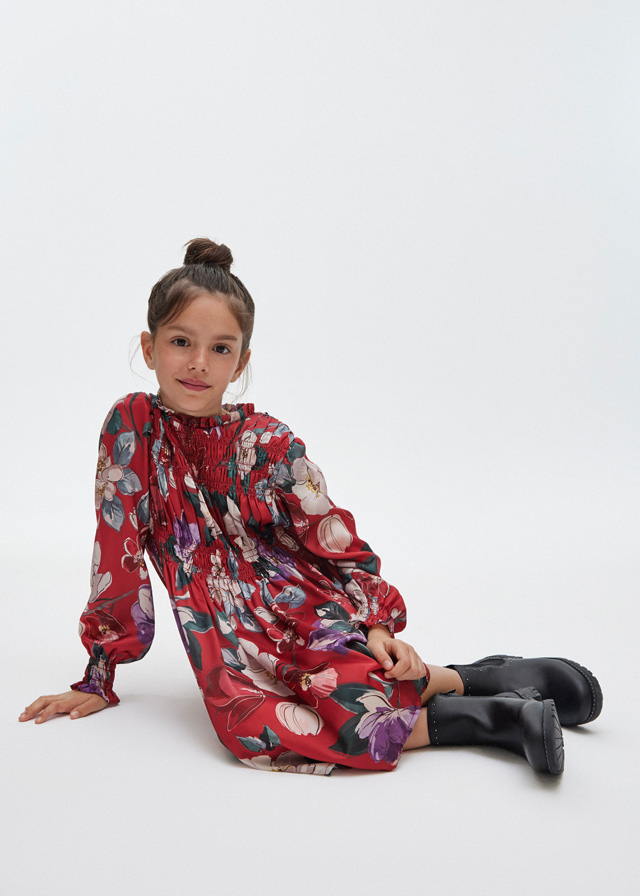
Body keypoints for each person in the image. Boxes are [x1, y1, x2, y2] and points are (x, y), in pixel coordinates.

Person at [19, 239, 602, 775]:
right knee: (251, 728)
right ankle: (490, 717)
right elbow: (116, 546)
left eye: (219, 348)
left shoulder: (269, 443)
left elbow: (333, 537)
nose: (198, 362)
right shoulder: (132, 428)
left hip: (297, 604)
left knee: (354, 678)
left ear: (240, 362)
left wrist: (376, 622)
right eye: (180, 342)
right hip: (221, 631)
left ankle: (477, 682)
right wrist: (99, 674)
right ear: (149, 348)